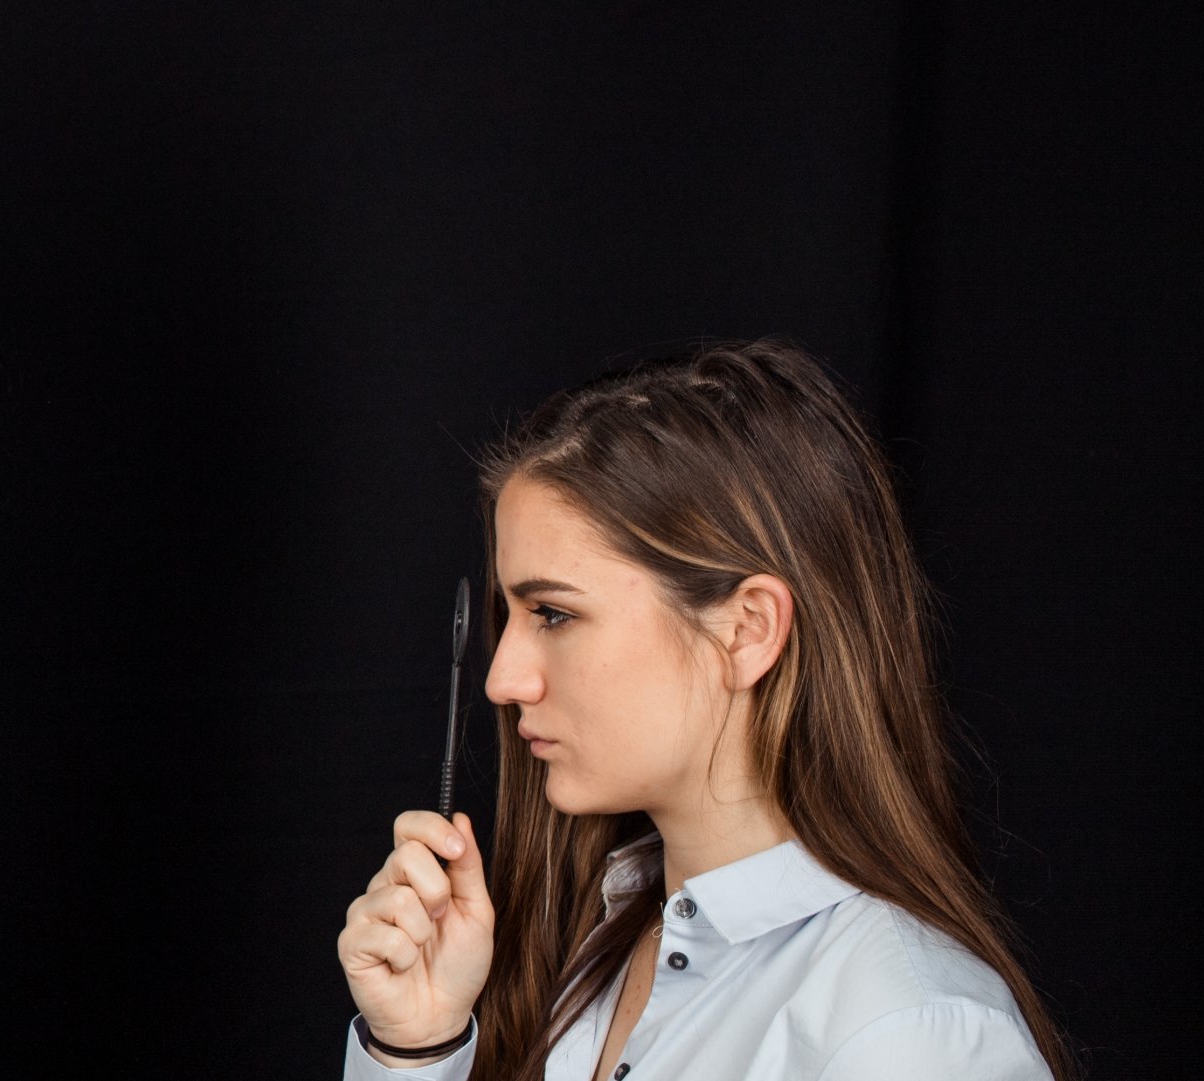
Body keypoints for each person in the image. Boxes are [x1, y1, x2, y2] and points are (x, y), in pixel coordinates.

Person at [336, 342, 1070, 1080]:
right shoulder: (590, 951)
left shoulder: (908, 1035)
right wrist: (416, 1049)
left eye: (552, 613)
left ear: (748, 629)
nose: (503, 679)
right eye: (508, 614)